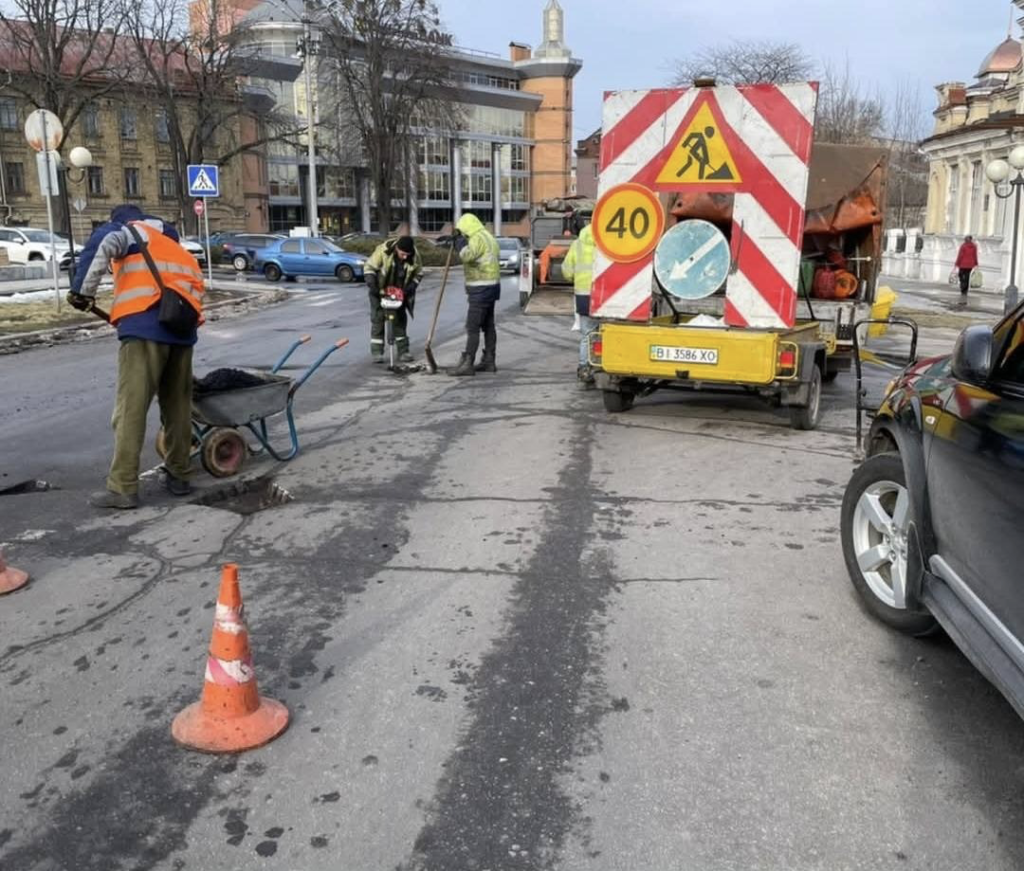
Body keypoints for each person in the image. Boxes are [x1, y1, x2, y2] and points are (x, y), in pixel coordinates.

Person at [67, 204, 204, 509]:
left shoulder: (127, 231)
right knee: (178, 407)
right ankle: (180, 475)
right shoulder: (169, 242)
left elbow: (102, 244)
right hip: (182, 330)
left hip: (144, 330)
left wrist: (81, 290)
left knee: (131, 409)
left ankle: (123, 487)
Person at [449, 213, 501, 376]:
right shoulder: (489, 237)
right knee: (488, 325)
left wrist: (459, 242)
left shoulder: (477, 238)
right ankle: (489, 360)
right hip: (492, 286)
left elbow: (466, 256)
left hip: (480, 288)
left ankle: (468, 363)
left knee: (473, 327)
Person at [364, 235, 421, 363]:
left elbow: (419, 274)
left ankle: (403, 351)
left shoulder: (414, 255)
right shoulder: (383, 251)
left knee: (399, 321)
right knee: (378, 319)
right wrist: (373, 285)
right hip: (379, 289)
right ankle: (377, 352)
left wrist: (410, 288)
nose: (405, 257)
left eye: (407, 254)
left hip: (400, 291)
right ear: (396, 248)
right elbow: (369, 268)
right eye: (402, 254)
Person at [560, 223, 597, 387]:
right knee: (605, 332)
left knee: (586, 334)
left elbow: (567, 270)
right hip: (604, 296)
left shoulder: (577, 245)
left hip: (583, 295)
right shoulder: (606, 244)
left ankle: (584, 368)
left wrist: (573, 278)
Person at [954, 235, 979, 305]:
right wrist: (976, 263)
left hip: (962, 264)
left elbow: (960, 255)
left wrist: (957, 264)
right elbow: (975, 256)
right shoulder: (974, 246)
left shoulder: (963, 246)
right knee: (967, 277)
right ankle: (965, 290)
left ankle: (962, 288)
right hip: (970, 265)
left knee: (961, 276)